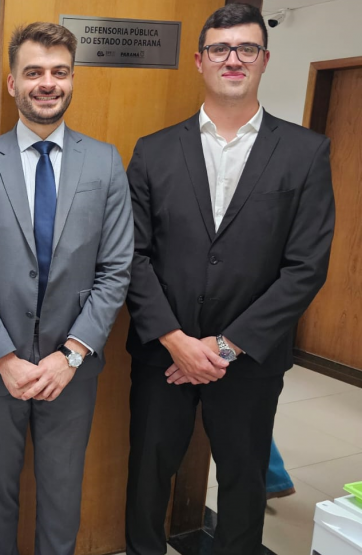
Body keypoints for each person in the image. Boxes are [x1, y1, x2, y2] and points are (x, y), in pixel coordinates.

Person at [124, 5, 335, 554]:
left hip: (250, 358)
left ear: (264, 60)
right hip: (162, 357)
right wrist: (175, 339)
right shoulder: (154, 150)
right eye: (220, 49)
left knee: (243, 486)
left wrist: (222, 345)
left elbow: (306, 265)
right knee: (148, 480)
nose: (233, 59)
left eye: (246, 48)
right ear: (199, 61)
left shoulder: (306, 152)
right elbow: (132, 254)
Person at [0, 22, 133, 555]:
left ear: (72, 80)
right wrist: (5, 358)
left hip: (71, 370)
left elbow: (115, 269)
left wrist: (70, 356)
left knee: (61, 495)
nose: (46, 83)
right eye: (34, 72)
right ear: (13, 83)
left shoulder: (105, 161)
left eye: (59, 72)